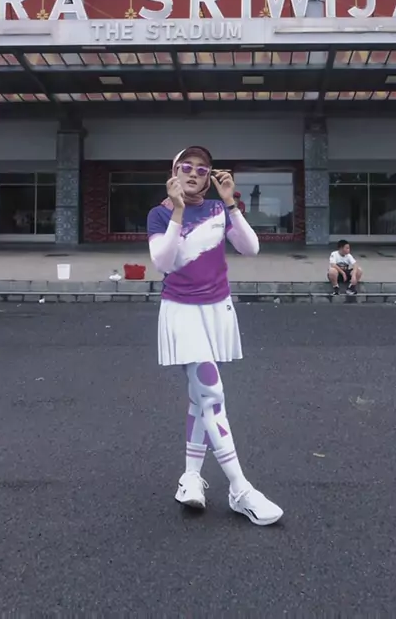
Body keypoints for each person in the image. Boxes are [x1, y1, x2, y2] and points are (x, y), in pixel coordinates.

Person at [147, 145, 283, 526]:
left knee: (198, 397)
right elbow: (162, 261)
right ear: (174, 172)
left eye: (202, 169)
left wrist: (231, 203)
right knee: (212, 393)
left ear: (210, 177)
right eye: (186, 167)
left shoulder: (217, 210)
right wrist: (177, 211)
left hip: (217, 309)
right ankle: (240, 489)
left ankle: (191, 477)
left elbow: (251, 248)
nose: (193, 173)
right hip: (182, 311)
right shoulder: (160, 214)